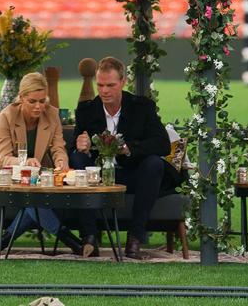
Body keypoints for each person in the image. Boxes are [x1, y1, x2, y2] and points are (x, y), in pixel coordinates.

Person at [69, 55, 181, 259]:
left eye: (110, 85)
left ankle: (135, 238)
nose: (104, 91)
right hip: (99, 175)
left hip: (133, 173)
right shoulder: (87, 110)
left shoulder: (142, 107)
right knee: (77, 160)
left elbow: (162, 144)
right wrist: (80, 145)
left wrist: (130, 148)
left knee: (154, 164)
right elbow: (75, 146)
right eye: (100, 85)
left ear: (123, 82)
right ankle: (89, 238)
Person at [0, 72, 88, 256]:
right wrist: (24, 162)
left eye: (42, 101)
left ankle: (0, 243)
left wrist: (62, 161)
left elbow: (58, 147)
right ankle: (70, 240)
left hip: (35, 175)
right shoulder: (6, 116)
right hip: (3, 173)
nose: (38, 106)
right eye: (32, 101)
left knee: (33, 197)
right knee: (34, 199)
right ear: (21, 98)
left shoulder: (51, 114)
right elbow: (4, 157)